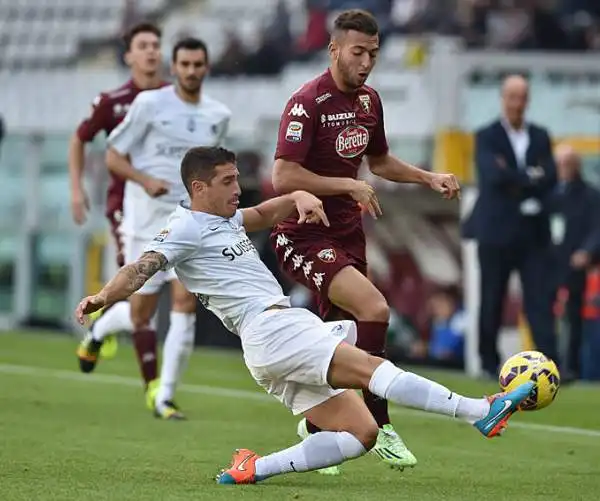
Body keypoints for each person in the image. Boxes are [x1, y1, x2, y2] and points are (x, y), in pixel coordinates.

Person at [74, 146, 535, 485]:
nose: (238, 188)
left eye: (237, 179)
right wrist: (102, 297)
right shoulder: (184, 228)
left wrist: (296, 198)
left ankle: (252, 470)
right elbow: (140, 268)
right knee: (372, 367)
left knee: (362, 434)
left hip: (267, 343)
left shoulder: (224, 219)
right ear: (199, 188)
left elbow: (263, 211)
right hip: (272, 329)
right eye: (228, 181)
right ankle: (479, 411)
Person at [269, 9, 460, 472]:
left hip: (348, 234)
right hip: (303, 233)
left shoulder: (369, 102)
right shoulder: (306, 102)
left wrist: (427, 176)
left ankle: (317, 431)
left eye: (374, 53)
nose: (367, 61)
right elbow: (283, 174)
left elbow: (380, 161)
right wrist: (346, 186)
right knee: (374, 310)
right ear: (335, 49)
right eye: (359, 52)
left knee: (342, 336)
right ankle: (381, 424)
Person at [90, 38, 231, 419]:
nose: (191, 70)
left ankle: (164, 396)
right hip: (147, 221)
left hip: (191, 223)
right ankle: (100, 331)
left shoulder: (219, 115)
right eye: (184, 64)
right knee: (141, 314)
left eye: (198, 64)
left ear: (207, 67)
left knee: (185, 304)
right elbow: (114, 157)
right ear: (174, 67)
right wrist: (144, 179)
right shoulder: (149, 104)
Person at [72, 22, 167, 392]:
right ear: (129, 55)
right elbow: (79, 139)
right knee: (141, 289)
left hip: (169, 207)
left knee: (157, 299)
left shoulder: (173, 98)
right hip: (127, 208)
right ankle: (156, 390)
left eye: (156, 45)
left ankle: (101, 330)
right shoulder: (112, 102)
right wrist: (76, 190)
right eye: (143, 45)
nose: (151, 51)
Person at [470, 74, 558, 378]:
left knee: (539, 298)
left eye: (522, 97)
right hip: (496, 232)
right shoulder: (487, 136)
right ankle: (487, 362)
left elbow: (550, 177)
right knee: (492, 297)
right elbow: (493, 177)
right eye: (512, 97)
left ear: (528, 100)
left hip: (533, 232)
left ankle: (551, 362)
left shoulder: (541, 136)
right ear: (503, 99)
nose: (517, 104)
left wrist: (517, 177)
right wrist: (530, 177)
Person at [549, 144, 600, 379]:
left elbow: (596, 228)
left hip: (574, 263)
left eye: (568, 164)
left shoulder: (590, 195)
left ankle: (571, 367)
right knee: (543, 313)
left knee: (573, 315)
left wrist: (586, 251)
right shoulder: (549, 193)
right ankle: (546, 363)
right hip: (549, 261)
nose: (564, 169)